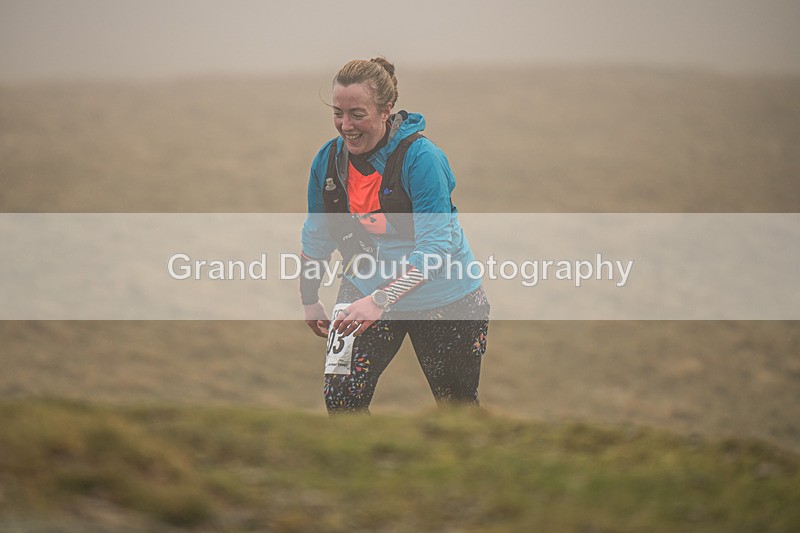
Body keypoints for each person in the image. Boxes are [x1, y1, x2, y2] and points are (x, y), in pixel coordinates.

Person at [300, 57, 489, 414]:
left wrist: (381, 300)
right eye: (338, 113)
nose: (346, 125)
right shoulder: (327, 160)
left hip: (446, 297)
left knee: (458, 411)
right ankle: (366, 469)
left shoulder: (423, 158)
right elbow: (317, 235)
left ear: (386, 110)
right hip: (363, 290)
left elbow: (435, 249)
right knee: (342, 402)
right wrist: (310, 298)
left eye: (358, 114)